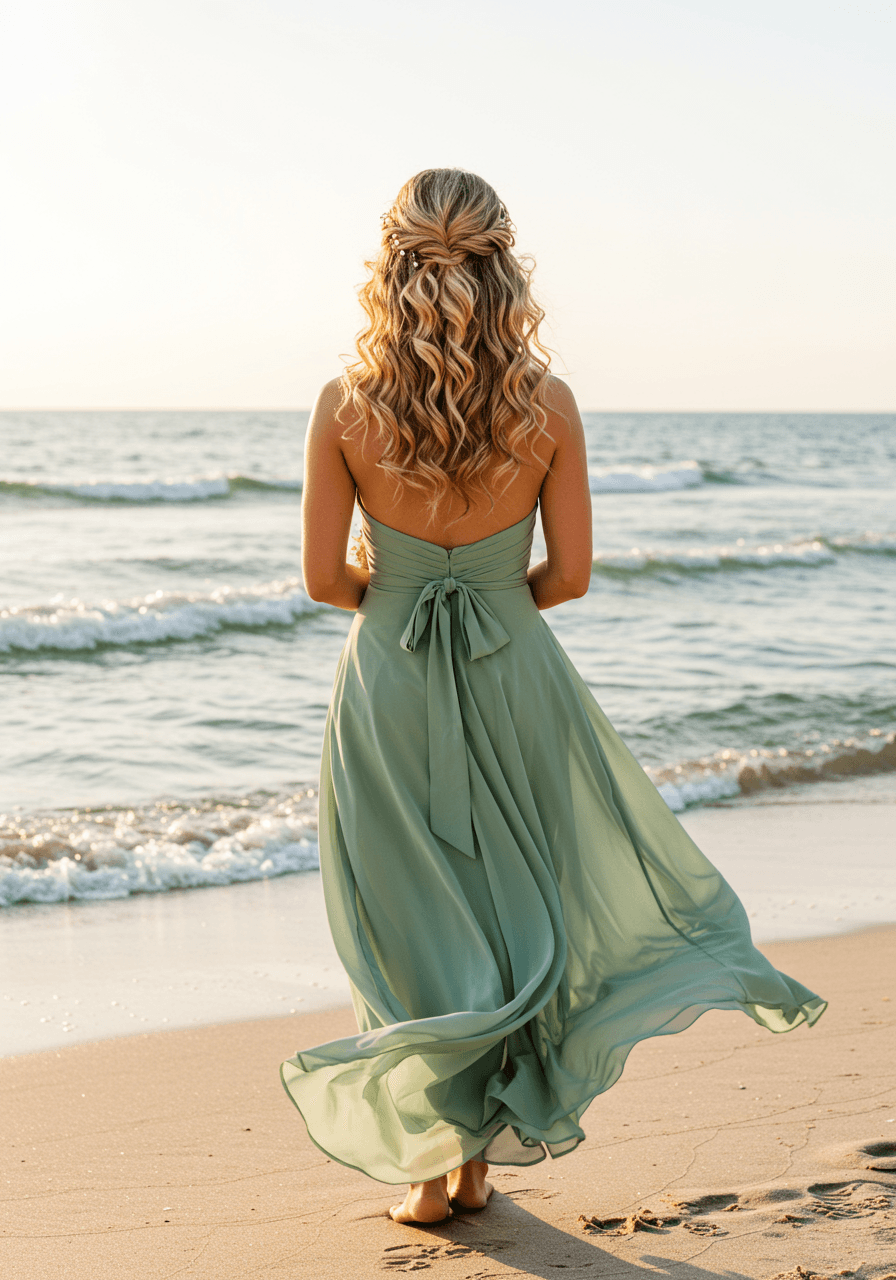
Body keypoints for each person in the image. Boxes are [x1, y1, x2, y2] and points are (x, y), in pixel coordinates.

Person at [281, 168, 825, 1225]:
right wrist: (488, 601)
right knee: (511, 905)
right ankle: (477, 1156)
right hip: (513, 671)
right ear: (501, 266)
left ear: (389, 268)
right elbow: (569, 575)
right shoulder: (548, 405)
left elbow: (318, 581)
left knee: (403, 914)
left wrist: (401, 603)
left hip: (388, 674)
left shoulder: (343, 406)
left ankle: (432, 1166)